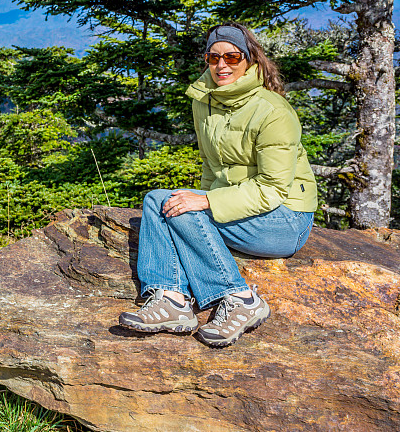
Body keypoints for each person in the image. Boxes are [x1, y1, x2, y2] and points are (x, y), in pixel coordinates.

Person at [119, 23, 317, 347]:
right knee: (158, 200)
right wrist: (201, 198)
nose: (221, 65)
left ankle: (240, 299)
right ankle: (172, 299)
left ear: (249, 60)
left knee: (185, 211)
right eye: (213, 57)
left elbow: (272, 189)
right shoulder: (204, 102)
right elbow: (211, 168)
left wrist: (207, 203)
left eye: (231, 56)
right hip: (241, 203)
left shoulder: (273, 112)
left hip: (286, 218)